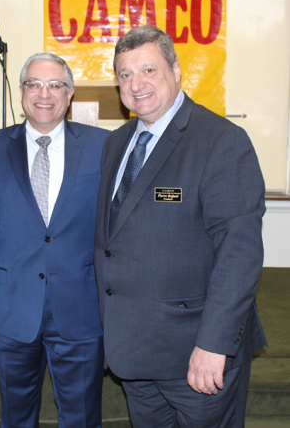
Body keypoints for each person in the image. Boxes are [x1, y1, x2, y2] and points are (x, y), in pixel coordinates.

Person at [94, 25, 266, 428]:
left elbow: (239, 254)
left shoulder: (221, 140)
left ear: (175, 70)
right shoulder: (116, 144)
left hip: (197, 359)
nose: (136, 84)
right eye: (124, 74)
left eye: (148, 70)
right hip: (134, 355)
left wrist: (213, 344)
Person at [0, 52, 108, 427]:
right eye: (34, 84)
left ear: (70, 93)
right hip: (9, 310)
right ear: (23, 91)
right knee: (17, 416)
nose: (45, 94)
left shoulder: (103, 147)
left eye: (55, 85)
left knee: (82, 416)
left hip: (81, 308)